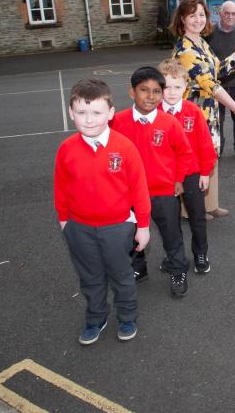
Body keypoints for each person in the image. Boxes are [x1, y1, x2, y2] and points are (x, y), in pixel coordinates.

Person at [54, 78, 151, 345]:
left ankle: (128, 316)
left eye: (96, 112)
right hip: (79, 228)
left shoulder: (124, 147)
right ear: (71, 113)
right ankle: (96, 317)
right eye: (81, 113)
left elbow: (139, 190)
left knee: (121, 276)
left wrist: (142, 226)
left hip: (117, 228)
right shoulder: (66, 150)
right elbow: (60, 188)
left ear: (110, 113)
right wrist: (65, 222)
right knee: (90, 277)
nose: (88, 120)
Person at [110, 67, 194, 298]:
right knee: (132, 234)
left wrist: (178, 179)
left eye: (157, 91)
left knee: (171, 234)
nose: (151, 96)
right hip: (129, 194)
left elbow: (184, 153)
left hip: (163, 191)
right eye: (144, 90)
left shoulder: (169, 123)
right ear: (131, 92)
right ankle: (138, 268)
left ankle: (178, 269)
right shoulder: (117, 122)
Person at [171, 0, 235, 218]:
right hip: (194, 110)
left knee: (210, 155)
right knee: (195, 160)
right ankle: (191, 210)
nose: (198, 20)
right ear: (182, 19)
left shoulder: (201, 42)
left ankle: (210, 204)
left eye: (201, 14)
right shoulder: (185, 48)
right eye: (192, 15)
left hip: (209, 109)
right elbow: (211, 84)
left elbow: (219, 71)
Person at [159, 58, 216, 273]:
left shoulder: (193, 111)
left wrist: (204, 172)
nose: (171, 92)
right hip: (165, 176)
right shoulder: (154, 113)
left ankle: (201, 254)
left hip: (191, 173)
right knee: (170, 221)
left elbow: (204, 144)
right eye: (166, 87)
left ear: (185, 88)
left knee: (197, 217)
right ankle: (175, 257)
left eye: (177, 87)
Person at [207, 0, 235, 162]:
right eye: (227, 13)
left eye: (233, 14)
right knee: (217, 121)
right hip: (216, 86)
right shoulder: (209, 33)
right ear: (220, 13)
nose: (230, 16)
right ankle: (218, 150)